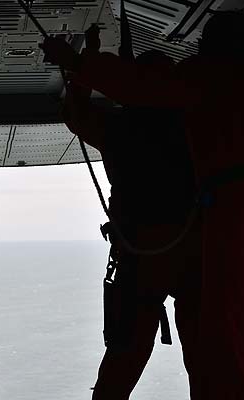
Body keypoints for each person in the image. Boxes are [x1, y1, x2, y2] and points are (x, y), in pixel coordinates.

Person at [43, 11, 244, 400]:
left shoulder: (163, 105)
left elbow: (84, 111)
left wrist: (80, 64)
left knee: (141, 354)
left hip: (168, 247)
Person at [62, 27, 201, 399]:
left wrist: (83, 66)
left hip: (141, 252)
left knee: (126, 351)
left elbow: (75, 114)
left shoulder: (118, 128)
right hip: (193, 250)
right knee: (207, 356)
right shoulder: (193, 125)